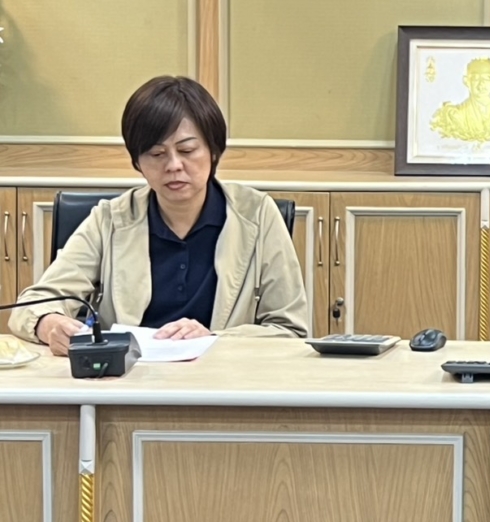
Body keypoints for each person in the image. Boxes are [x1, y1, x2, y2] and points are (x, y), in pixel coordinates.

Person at [9, 76, 308, 355]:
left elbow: (290, 329)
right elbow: (30, 306)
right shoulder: (110, 220)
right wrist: (49, 324)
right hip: (127, 379)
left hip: (223, 379)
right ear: (137, 162)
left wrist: (214, 338)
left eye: (187, 150)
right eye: (156, 154)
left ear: (213, 151)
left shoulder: (257, 215)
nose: (174, 165)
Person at [430, 57, 490, 145]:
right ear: (466, 81)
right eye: (475, 79)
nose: (481, 84)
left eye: (487, 78)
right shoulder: (453, 116)